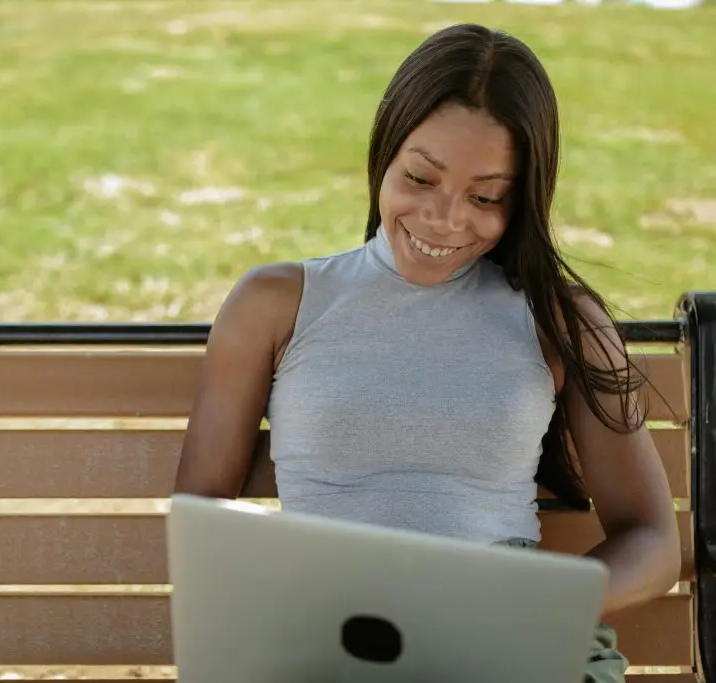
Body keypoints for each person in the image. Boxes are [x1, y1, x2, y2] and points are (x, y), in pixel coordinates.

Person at [173, 22, 682, 683]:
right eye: (420, 177)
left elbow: (652, 538)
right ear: (385, 155)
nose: (444, 219)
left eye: (484, 196)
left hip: (510, 643)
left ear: (520, 197)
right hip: (327, 639)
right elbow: (201, 514)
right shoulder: (276, 303)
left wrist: (531, 603)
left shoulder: (559, 319)